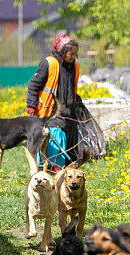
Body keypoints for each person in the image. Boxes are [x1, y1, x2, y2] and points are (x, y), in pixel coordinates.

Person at [26, 33, 82, 173]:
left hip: (68, 109)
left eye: (75, 53)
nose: (73, 56)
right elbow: (33, 85)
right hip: (49, 110)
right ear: (62, 51)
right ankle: (52, 165)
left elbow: (71, 88)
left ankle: (61, 163)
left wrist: (77, 102)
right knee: (56, 133)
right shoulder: (49, 64)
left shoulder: (74, 66)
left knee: (67, 134)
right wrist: (31, 106)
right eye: (70, 53)